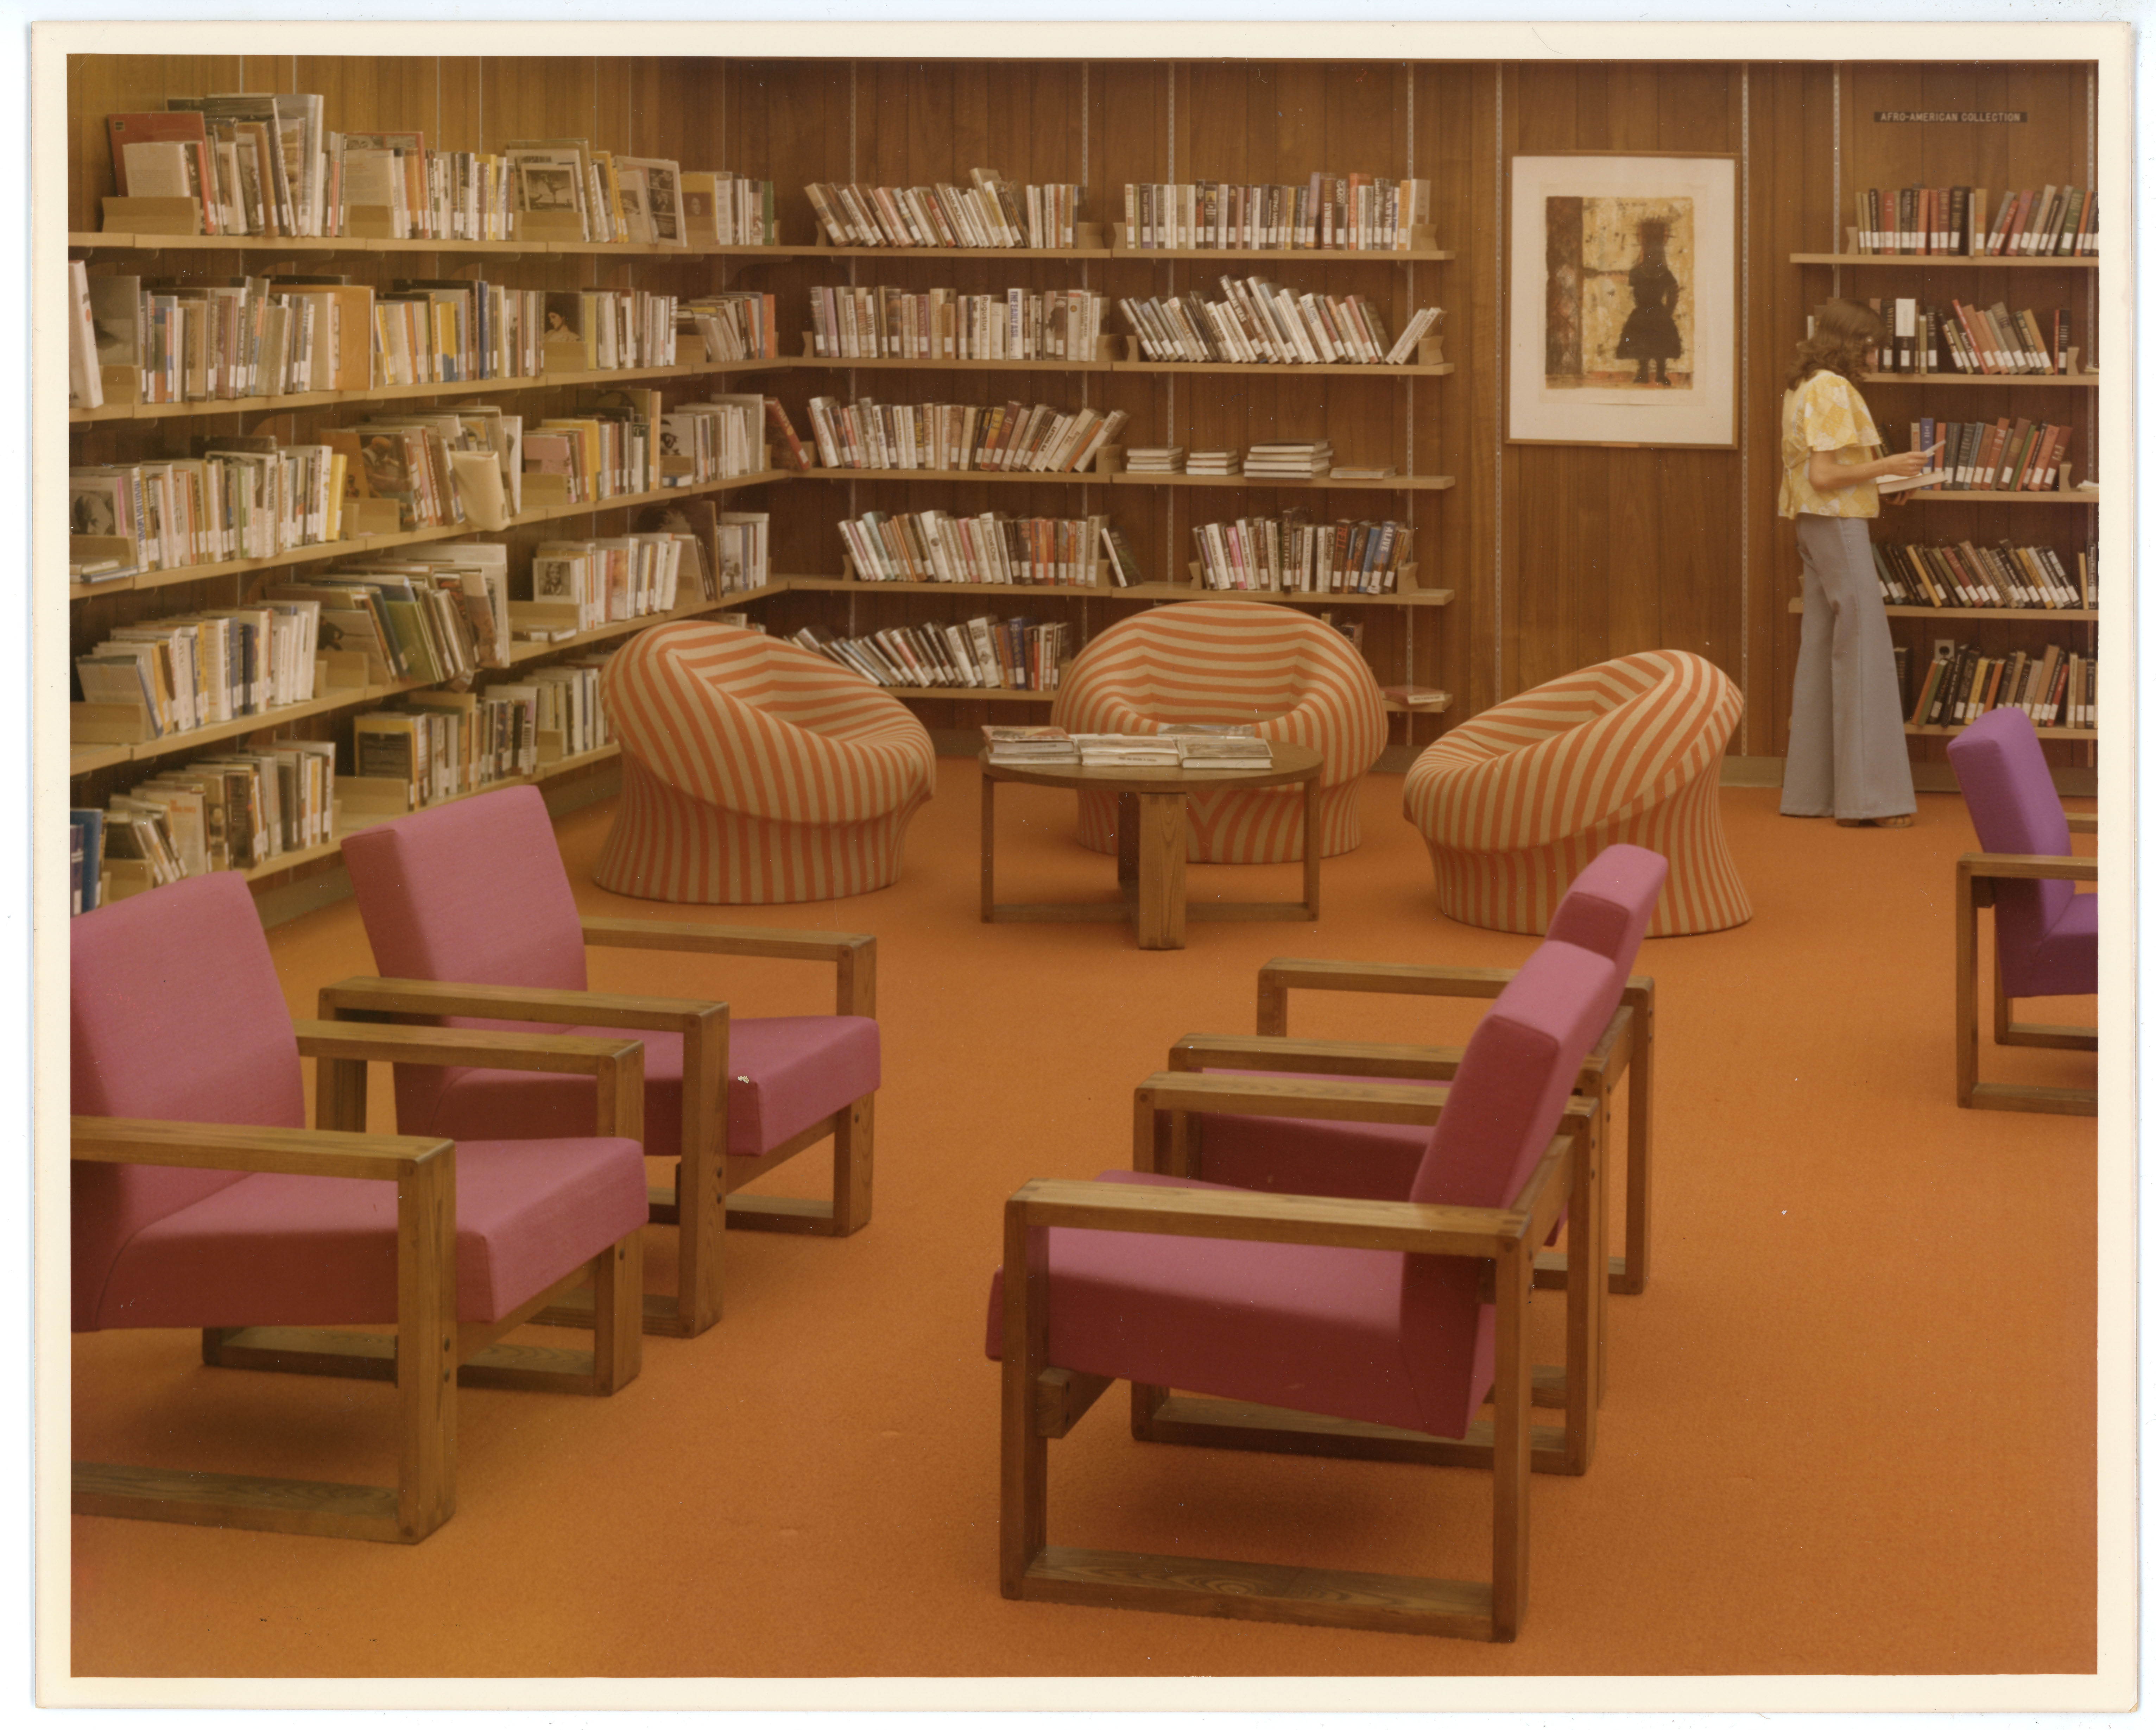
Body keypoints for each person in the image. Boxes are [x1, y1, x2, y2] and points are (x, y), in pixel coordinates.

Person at [1778, 298, 1934, 828]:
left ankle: (1811, 791)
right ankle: (1872, 800)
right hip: (1836, 523)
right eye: (1867, 343)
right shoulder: (1831, 388)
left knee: (1821, 648)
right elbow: (1824, 475)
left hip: (1812, 524)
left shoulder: (1803, 384)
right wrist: (1888, 465)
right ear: (1847, 343)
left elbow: (1819, 472)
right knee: (1864, 649)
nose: (1874, 352)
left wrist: (1880, 482)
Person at [1614, 219, 1682, 386]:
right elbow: (1673, 291)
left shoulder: (1661, 273)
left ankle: (1658, 374)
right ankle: (1644, 373)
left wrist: (1668, 312)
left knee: (1659, 343)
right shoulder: (1642, 272)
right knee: (1642, 343)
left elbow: (1673, 292)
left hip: (1657, 312)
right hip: (1647, 312)